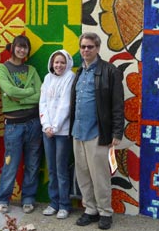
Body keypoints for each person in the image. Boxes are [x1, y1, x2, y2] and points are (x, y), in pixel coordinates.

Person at [69, 32, 125, 230]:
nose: (85, 50)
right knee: (83, 175)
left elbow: (117, 105)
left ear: (98, 48)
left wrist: (117, 133)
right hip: (78, 132)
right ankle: (90, 210)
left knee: (100, 176)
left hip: (98, 133)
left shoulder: (110, 71)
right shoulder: (79, 72)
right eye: (83, 47)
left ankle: (105, 212)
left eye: (90, 47)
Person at [0, 35, 43, 214]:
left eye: (25, 48)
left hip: (34, 123)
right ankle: (2, 199)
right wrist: (28, 94)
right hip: (14, 125)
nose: (22, 50)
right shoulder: (1, 68)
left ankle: (28, 199)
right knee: (11, 163)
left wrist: (19, 99)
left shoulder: (31, 70)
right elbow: (8, 90)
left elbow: (40, 94)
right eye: (19, 47)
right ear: (13, 47)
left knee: (32, 163)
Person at [39, 50, 75, 219]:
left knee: (61, 169)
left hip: (62, 132)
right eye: (56, 62)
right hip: (47, 131)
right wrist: (46, 125)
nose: (59, 65)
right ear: (52, 63)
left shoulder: (70, 77)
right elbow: (43, 103)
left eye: (62, 62)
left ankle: (64, 205)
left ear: (67, 63)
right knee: (51, 169)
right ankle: (53, 203)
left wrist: (55, 126)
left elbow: (65, 104)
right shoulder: (47, 79)